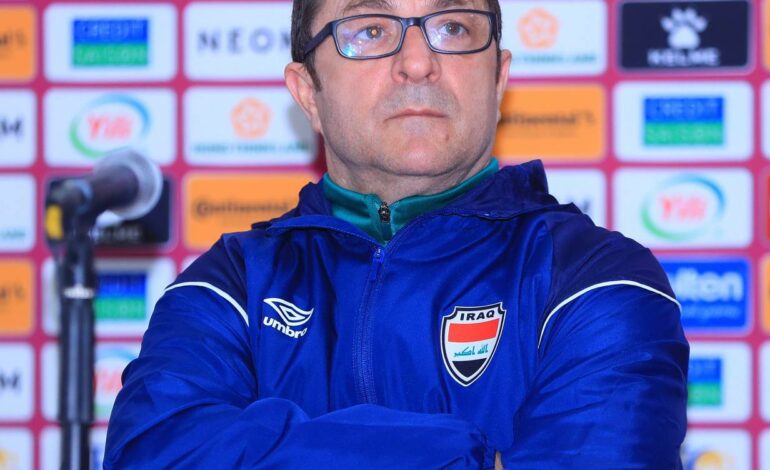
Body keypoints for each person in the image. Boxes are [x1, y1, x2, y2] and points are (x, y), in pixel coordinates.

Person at [105, 0, 689, 468]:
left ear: (498, 80)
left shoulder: (597, 277)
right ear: (308, 92)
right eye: (369, 30)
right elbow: (155, 452)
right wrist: (473, 458)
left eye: (453, 27)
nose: (417, 62)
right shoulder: (229, 285)